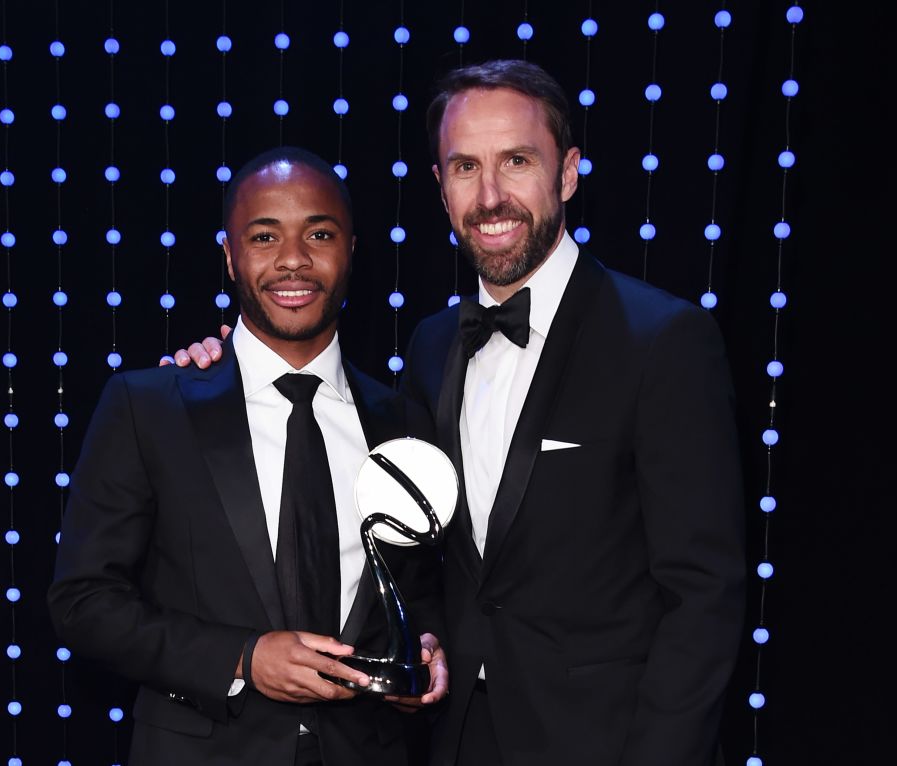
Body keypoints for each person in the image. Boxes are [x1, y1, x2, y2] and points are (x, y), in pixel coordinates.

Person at [175, 60, 745, 766]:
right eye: (466, 166)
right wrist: (225, 370)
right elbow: (429, 551)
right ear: (441, 188)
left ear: (567, 173)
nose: (492, 195)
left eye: (516, 161)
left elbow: (705, 596)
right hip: (452, 742)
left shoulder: (661, 341)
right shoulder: (431, 345)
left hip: (607, 743)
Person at [49, 146, 448, 766]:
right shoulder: (150, 406)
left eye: (319, 233)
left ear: (352, 251)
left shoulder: (401, 421)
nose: (294, 259)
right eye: (265, 237)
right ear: (230, 256)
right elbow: (83, 602)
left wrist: (422, 653)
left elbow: (420, 593)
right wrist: (241, 657)